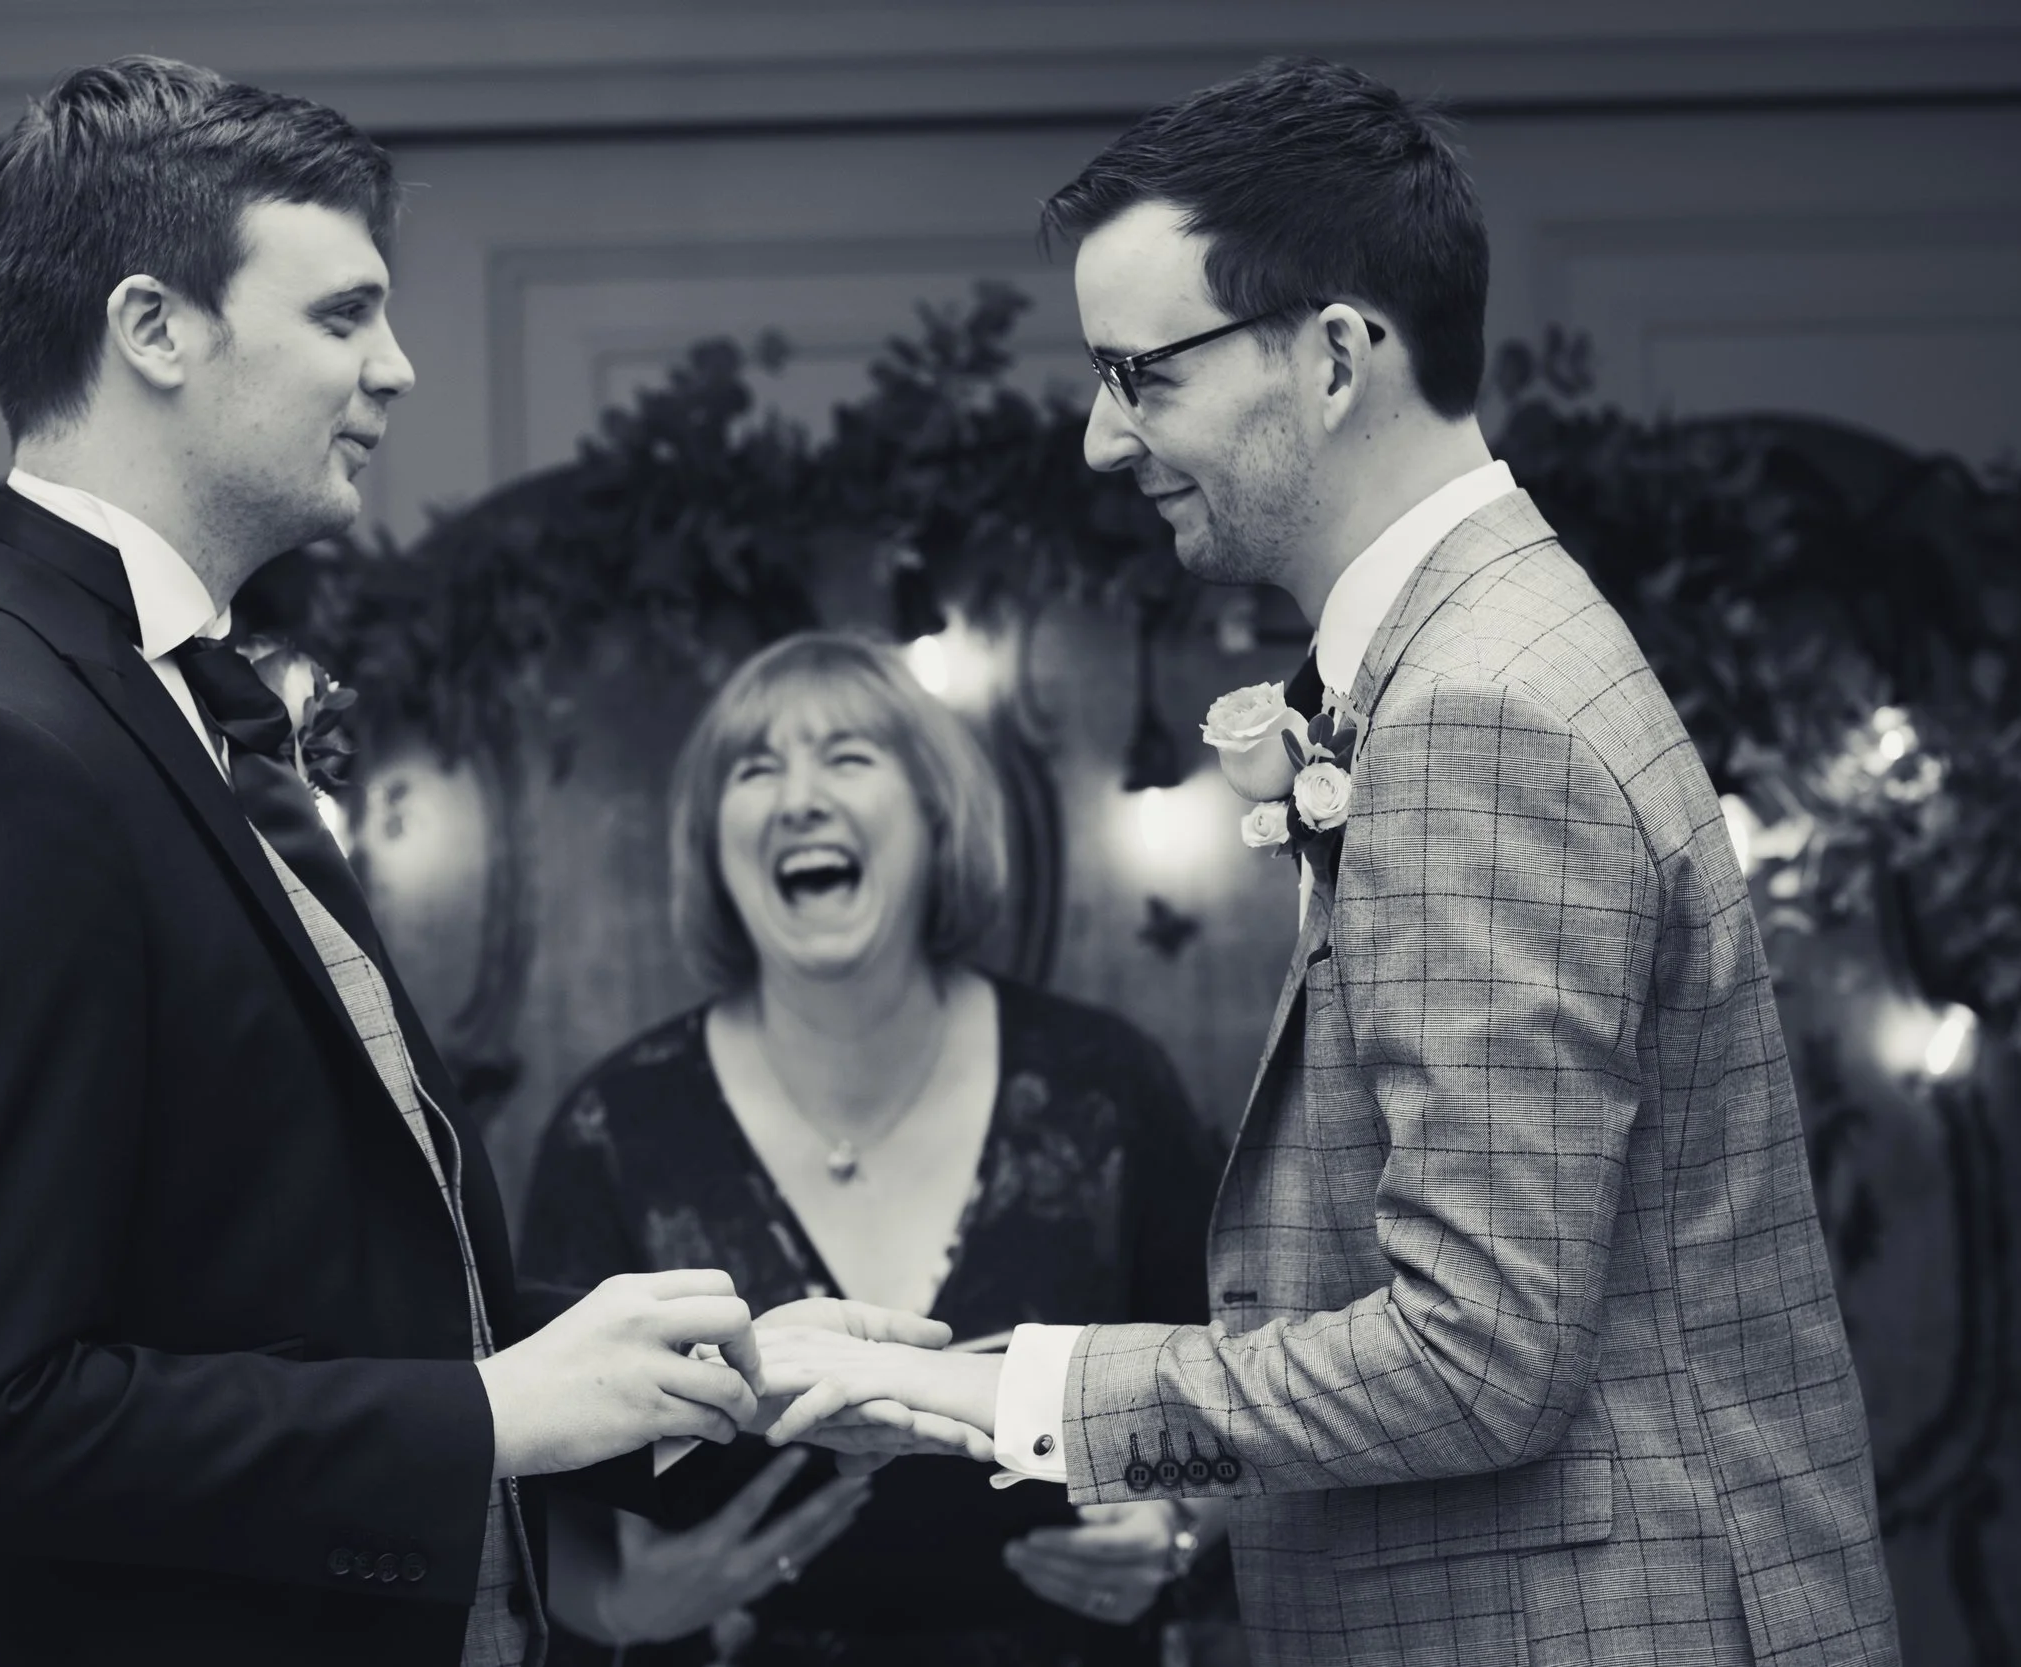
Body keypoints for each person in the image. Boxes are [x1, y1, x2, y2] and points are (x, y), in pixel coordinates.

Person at [752, 58, 1903, 1666]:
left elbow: (1477, 1354)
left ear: (1338, 356)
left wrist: (995, 1393)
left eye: (1139, 374)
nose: (1100, 438)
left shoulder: (1478, 707)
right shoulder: (1473, 651)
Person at [0, 58, 917, 1667]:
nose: (396, 367)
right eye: (342, 315)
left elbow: (289, 1296)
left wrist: (712, 1368)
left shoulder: (152, 703)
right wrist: (491, 1413)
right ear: (153, 328)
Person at [517, 633, 1224, 1667]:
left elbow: (1235, 1385)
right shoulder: (612, 1128)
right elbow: (530, 1473)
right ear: (713, 847)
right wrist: (620, 1607)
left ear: (938, 816)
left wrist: (1177, 1530)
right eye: (756, 770)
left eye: (848, 756)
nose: (800, 799)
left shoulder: (1106, 1086)